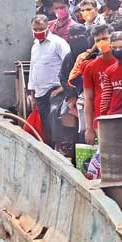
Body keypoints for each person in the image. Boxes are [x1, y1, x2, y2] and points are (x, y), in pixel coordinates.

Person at [28, 14, 70, 148]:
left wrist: (63, 87)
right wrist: (32, 93)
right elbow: (33, 68)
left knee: (54, 123)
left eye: (41, 29)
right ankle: (48, 149)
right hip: (40, 92)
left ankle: (59, 149)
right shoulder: (35, 46)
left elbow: (70, 63)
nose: (38, 32)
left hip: (55, 91)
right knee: (45, 125)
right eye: (35, 29)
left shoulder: (58, 43)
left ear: (48, 27)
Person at [81, 24, 116, 145]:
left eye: (105, 39)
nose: (102, 43)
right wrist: (89, 128)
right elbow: (88, 99)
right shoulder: (90, 67)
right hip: (101, 121)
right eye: (98, 40)